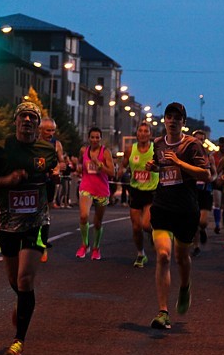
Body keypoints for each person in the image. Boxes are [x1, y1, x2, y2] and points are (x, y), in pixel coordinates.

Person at [0, 102, 57, 355]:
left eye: (33, 117)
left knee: (24, 280)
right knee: (14, 281)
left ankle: (18, 342)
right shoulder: (0, 148)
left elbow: (50, 177)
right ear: (15, 121)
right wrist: (4, 181)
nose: (28, 121)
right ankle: (23, 304)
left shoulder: (47, 150)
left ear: (38, 124)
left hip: (37, 221)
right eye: (23, 116)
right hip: (7, 221)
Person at [147, 102, 210, 329]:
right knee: (163, 255)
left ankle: (185, 286)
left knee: (181, 257)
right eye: (169, 117)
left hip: (186, 209)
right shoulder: (157, 143)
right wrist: (155, 166)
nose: (172, 121)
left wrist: (180, 163)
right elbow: (163, 167)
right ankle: (163, 311)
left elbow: (206, 175)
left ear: (183, 122)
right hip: (162, 206)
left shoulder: (192, 145)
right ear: (164, 120)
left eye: (177, 118)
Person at [117, 121, 158, 268]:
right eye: (140, 131)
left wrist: (154, 167)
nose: (143, 133)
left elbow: (162, 167)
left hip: (152, 191)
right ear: (137, 133)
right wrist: (121, 170)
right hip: (136, 191)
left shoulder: (155, 150)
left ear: (150, 134)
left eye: (146, 131)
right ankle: (141, 254)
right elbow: (124, 164)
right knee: (136, 227)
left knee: (146, 224)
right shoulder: (130, 149)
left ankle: (153, 235)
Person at [76, 127, 115, 260]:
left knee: (97, 222)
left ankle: (96, 247)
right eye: (92, 137)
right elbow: (79, 165)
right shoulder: (83, 150)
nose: (95, 140)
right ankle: (84, 244)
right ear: (88, 138)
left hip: (101, 190)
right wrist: (79, 167)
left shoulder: (105, 152)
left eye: (97, 137)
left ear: (100, 138)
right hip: (86, 187)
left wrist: (99, 165)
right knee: (83, 216)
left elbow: (112, 173)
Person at [38, 117, 66, 262]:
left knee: (46, 211)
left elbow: (61, 162)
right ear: (40, 130)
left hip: (49, 181)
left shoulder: (56, 144)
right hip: (35, 181)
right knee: (34, 211)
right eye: (48, 130)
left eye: (53, 130)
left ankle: (43, 240)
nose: (51, 133)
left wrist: (58, 168)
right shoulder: (34, 142)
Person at [190, 129, 216, 256]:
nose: (199, 141)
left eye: (201, 139)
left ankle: (203, 229)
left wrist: (212, 178)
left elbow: (215, 174)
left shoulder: (209, 157)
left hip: (205, 191)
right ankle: (196, 246)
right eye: (196, 139)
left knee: (203, 221)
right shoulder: (187, 155)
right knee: (194, 221)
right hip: (192, 191)